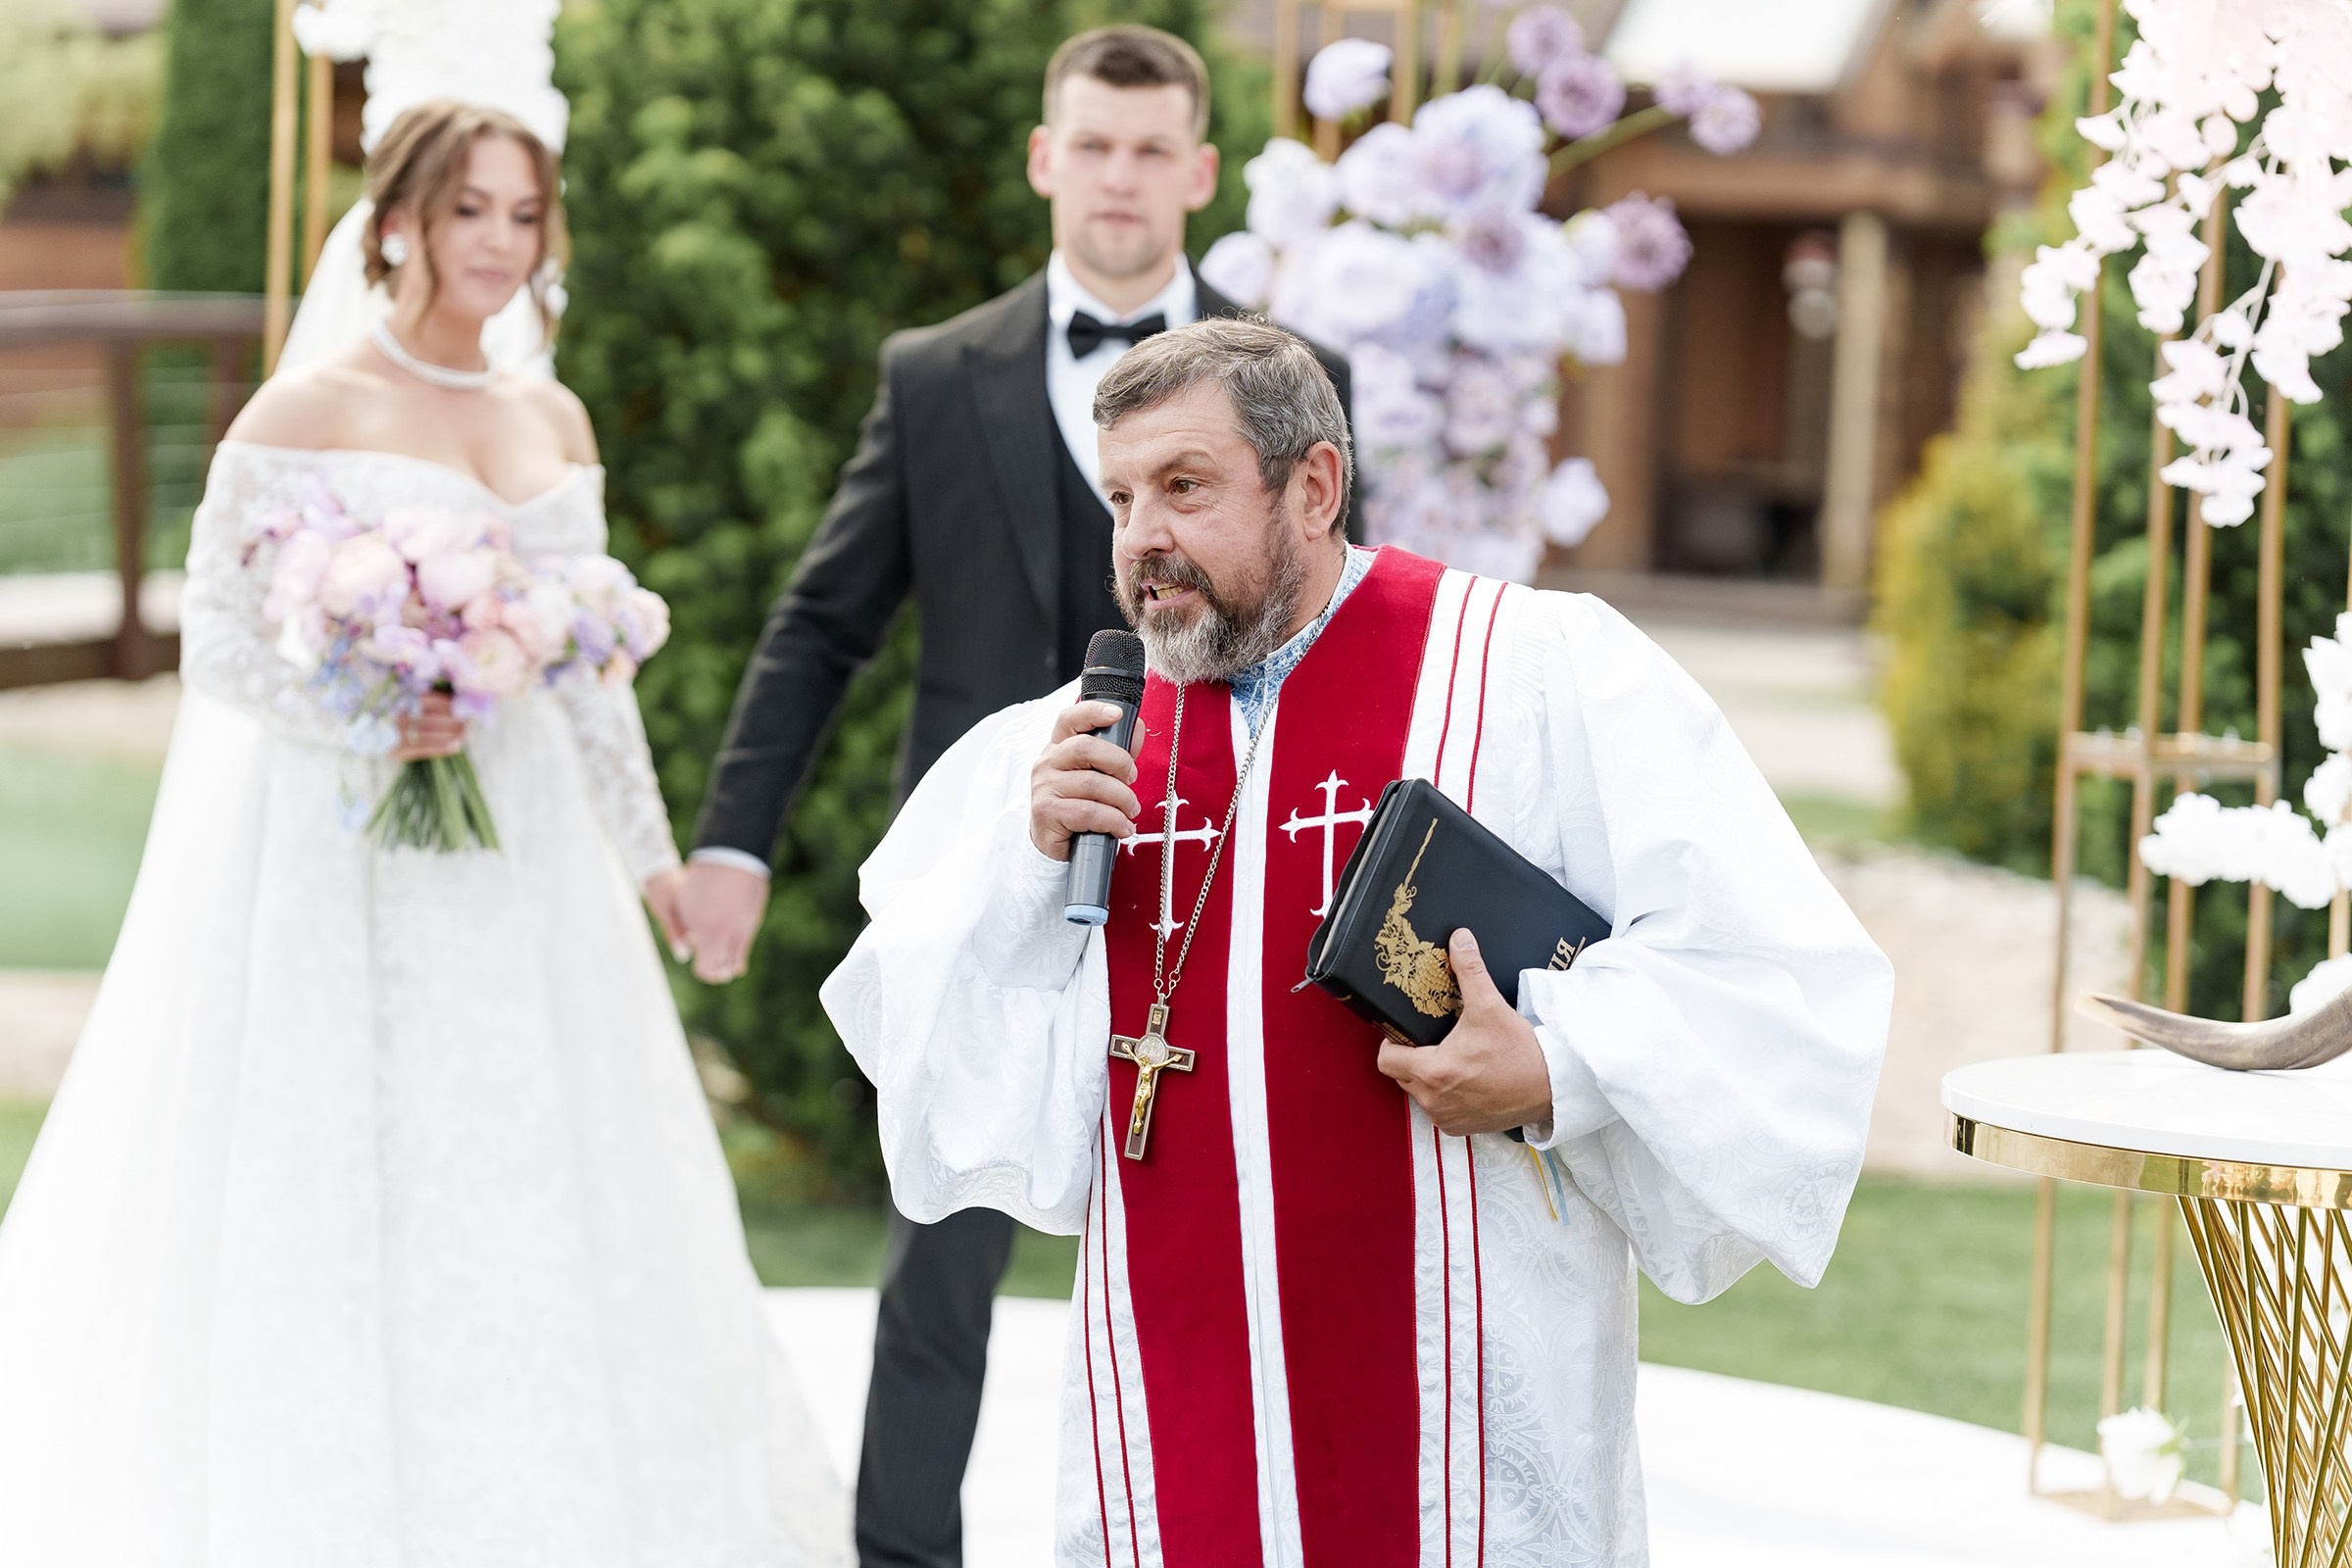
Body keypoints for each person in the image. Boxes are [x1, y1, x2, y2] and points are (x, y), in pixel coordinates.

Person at [821, 317, 1894, 1566]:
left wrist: (1559, 1066)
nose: (1140, 541)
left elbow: (1776, 971)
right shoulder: (1075, 748)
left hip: (1461, 1414)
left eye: (1184, 488)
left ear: (1315, 485)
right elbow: (936, 1056)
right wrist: (1021, 863)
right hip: (1179, 1374)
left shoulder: (1532, 675)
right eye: (1119, 497)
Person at [0, 100, 847, 1564]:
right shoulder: (310, 403)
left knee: (536, 1148)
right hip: (349, 856)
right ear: (397, 220)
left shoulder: (551, 419)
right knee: (345, 1145)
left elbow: (591, 684)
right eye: (473, 213)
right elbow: (213, 638)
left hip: (524, 862)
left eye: (526, 217)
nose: (501, 247)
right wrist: (371, 713)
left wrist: (653, 862)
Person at [677, 26, 1351, 1568]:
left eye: (1149, 151)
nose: (1118, 179)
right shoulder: (936, 376)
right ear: (1049, 160)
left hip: (1227, 869)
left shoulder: (1303, 386)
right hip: (1000, 887)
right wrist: (733, 838)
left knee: (1247, 1233)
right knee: (943, 1247)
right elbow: (822, 622)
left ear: (1198, 171)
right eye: (1090, 147)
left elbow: (1342, 627)